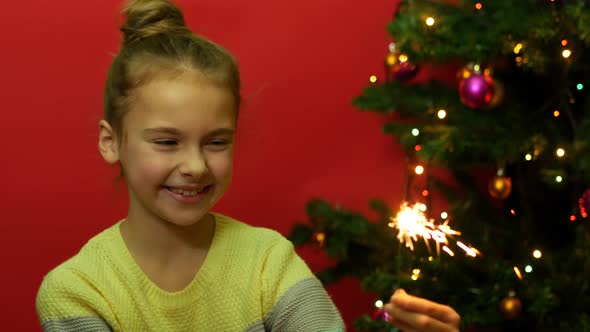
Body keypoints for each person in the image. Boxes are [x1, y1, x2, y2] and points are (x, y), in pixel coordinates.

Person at [35, 0, 460, 331]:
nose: (196, 166)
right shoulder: (78, 291)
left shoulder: (268, 262)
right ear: (111, 143)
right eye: (167, 141)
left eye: (216, 142)